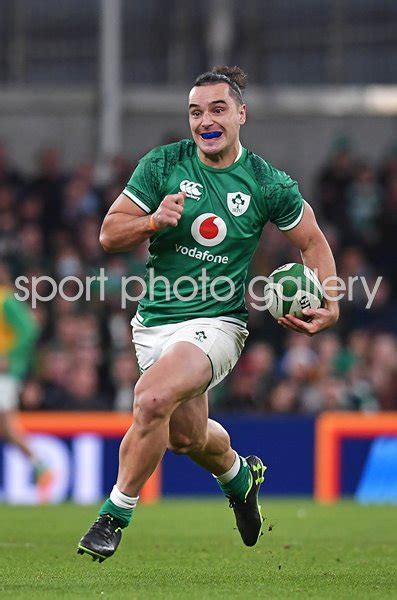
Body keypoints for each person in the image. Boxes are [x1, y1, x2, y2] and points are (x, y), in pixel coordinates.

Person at [78, 66, 339, 562]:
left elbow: (311, 241)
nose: (206, 121)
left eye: (218, 109)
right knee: (184, 436)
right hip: (154, 321)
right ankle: (240, 477)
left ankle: (113, 515)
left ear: (241, 114)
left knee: (151, 398)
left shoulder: (266, 182)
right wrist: (154, 220)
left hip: (218, 323)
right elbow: (110, 234)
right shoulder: (163, 165)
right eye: (196, 112)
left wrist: (331, 301)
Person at [0, 262, 51, 496]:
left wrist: (9, 357)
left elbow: (29, 329)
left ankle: (40, 465)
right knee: (5, 427)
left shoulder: (5, 299)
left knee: (7, 424)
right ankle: (39, 465)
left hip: (5, 373)